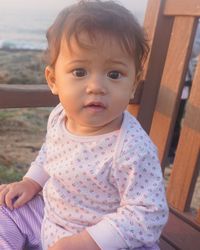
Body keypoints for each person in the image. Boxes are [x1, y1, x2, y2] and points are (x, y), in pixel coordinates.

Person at [0, 1, 169, 249]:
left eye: (114, 74)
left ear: (133, 85)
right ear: (53, 79)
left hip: (104, 238)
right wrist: (32, 182)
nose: (96, 87)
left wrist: (90, 241)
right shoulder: (60, 116)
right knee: (6, 208)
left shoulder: (132, 149)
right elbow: (51, 153)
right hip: (51, 217)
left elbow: (148, 214)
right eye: (80, 72)